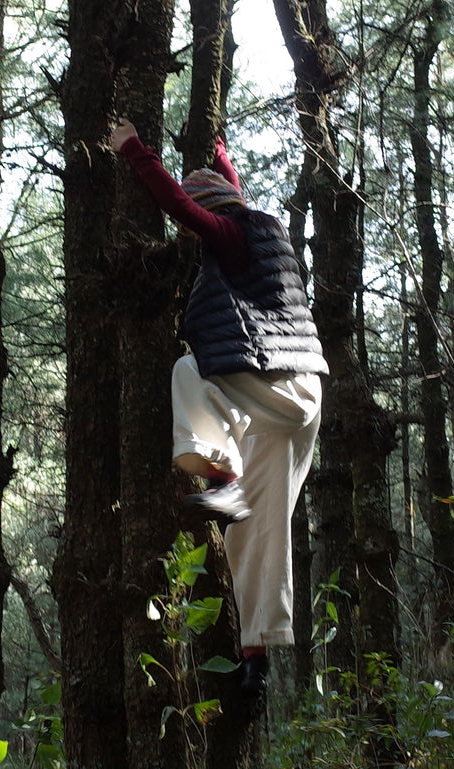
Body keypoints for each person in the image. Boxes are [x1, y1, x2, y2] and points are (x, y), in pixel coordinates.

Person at [108, 116, 327, 706]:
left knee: (189, 370)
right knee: (258, 526)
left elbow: (184, 206)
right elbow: (219, 194)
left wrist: (134, 150)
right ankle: (257, 660)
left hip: (276, 383)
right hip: (301, 397)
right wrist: (222, 152)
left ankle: (222, 475)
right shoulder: (262, 232)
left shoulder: (231, 234)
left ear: (219, 215)